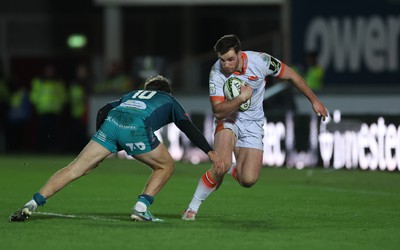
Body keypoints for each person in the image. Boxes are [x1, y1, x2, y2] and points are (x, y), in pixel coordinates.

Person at [9, 75, 224, 223]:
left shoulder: (132, 94)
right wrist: (210, 151)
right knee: (166, 166)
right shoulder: (169, 99)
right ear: (166, 92)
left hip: (110, 125)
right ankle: (141, 208)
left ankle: (32, 203)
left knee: (75, 168)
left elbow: (103, 110)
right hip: (136, 128)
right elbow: (187, 127)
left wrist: (102, 143)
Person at [182, 34, 328, 220]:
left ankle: (229, 167)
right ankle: (192, 208)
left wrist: (314, 101)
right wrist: (241, 98)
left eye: (230, 59)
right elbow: (218, 111)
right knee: (220, 165)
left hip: (253, 124)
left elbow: (291, 75)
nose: (225, 64)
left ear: (240, 54)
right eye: (221, 59)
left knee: (248, 179)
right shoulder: (216, 72)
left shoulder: (261, 61)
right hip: (229, 120)